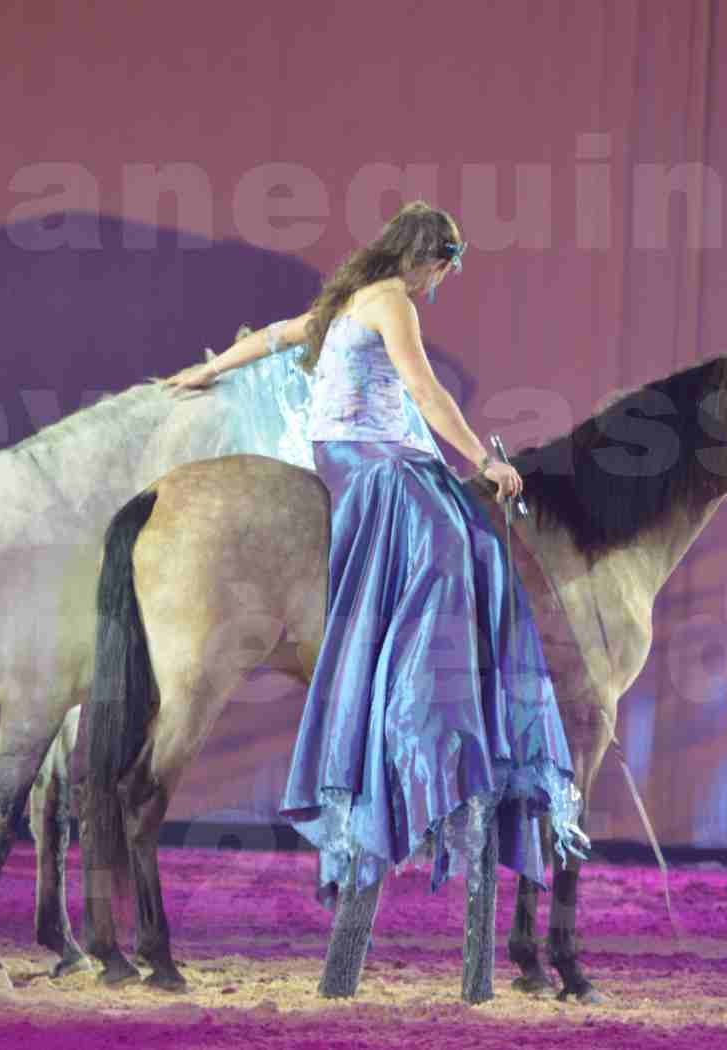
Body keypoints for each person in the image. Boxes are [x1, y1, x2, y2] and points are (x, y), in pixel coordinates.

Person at [159, 200, 587, 919]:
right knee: (460, 547)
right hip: (377, 461)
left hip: (355, 453)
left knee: (467, 537)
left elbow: (276, 335)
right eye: (443, 269)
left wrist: (208, 369)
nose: (439, 282)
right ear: (430, 260)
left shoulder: (350, 297)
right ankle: (420, 687)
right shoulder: (392, 303)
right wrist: (485, 460)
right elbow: (424, 390)